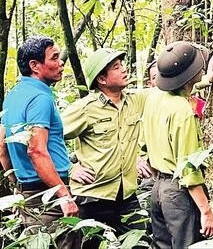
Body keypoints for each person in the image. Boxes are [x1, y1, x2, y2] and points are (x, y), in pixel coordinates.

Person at [0, 36, 80, 248]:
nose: (61, 63)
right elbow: (36, 150)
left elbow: (1, 146)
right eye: (54, 58)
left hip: (29, 192)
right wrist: (63, 195)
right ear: (35, 65)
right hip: (50, 196)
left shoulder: (14, 95)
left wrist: (19, 186)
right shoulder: (39, 98)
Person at [61, 48, 151, 246]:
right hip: (92, 196)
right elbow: (46, 138)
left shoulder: (136, 101)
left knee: (140, 243)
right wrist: (69, 168)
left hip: (126, 195)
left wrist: (203, 81)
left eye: (122, 65)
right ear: (102, 79)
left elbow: (165, 92)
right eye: (116, 68)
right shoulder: (84, 109)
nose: (124, 70)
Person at [143, 41, 213, 248]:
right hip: (178, 192)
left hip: (157, 188)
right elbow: (189, 169)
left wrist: (204, 81)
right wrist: (206, 211)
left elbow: (181, 89)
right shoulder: (184, 112)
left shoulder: (154, 97)